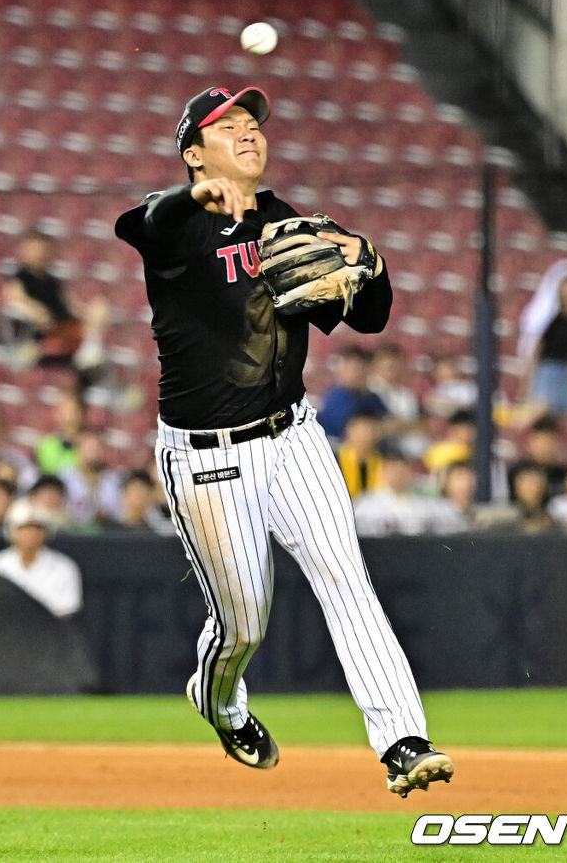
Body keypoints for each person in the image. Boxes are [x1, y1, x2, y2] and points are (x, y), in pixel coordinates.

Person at [115, 83, 453, 796]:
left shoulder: (284, 223)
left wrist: (371, 264)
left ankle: (402, 740)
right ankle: (218, 699)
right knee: (243, 625)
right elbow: (134, 223)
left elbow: (371, 319)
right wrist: (193, 197)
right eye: (226, 125)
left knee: (345, 579)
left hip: (292, 435)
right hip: (206, 455)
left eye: (252, 123)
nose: (247, 131)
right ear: (192, 152)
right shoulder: (173, 228)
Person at [0, 228, 109, 381]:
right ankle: (88, 354)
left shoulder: (52, 281)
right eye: (35, 250)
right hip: (46, 333)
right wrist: (35, 311)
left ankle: (90, 353)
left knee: (99, 308)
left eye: (43, 250)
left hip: (66, 326)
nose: (39, 254)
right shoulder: (18, 278)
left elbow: (71, 305)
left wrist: (88, 312)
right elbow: (14, 299)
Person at [0, 494, 82, 618]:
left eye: (36, 528)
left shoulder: (64, 567)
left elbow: (66, 613)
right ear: (12, 532)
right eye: (24, 528)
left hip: (50, 633)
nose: (30, 534)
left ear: (45, 533)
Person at [517, 259, 567, 415]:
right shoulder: (548, 317)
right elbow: (535, 348)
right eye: (566, 284)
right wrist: (526, 382)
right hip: (548, 370)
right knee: (546, 413)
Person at [316, 344, 387, 444]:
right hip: (335, 448)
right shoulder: (335, 396)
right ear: (343, 370)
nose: (359, 374)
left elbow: (388, 419)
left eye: (363, 369)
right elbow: (346, 432)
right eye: (355, 369)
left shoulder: (371, 397)